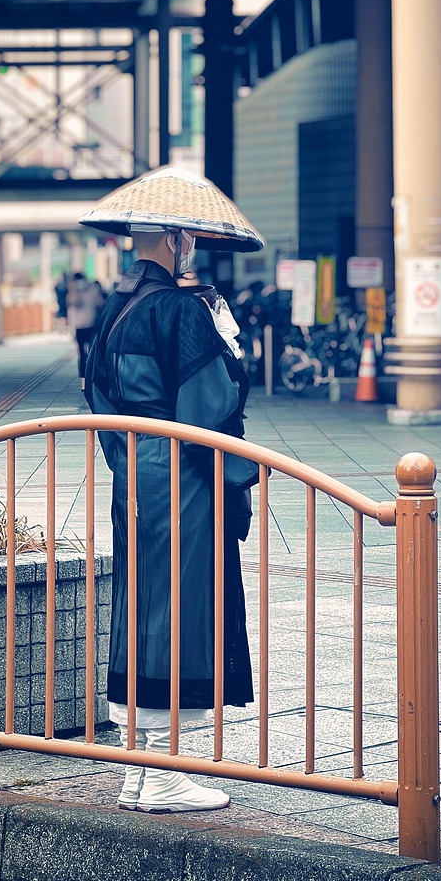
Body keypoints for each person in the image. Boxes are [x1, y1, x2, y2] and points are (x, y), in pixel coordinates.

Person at [79, 168, 264, 814]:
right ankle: (161, 774)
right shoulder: (182, 311)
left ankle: (138, 768)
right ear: (181, 238)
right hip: (184, 476)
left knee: (142, 604)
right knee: (182, 608)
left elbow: (101, 399)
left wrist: (130, 458)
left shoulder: (116, 308)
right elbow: (210, 406)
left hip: (134, 472)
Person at [66, 272, 104, 385]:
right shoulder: (72, 294)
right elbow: (74, 303)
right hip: (79, 327)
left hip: (92, 325)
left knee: (92, 353)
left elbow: (100, 304)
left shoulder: (92, 291)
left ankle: (93, 377)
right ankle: (83, 380)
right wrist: (73, 290)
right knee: (82, 354)